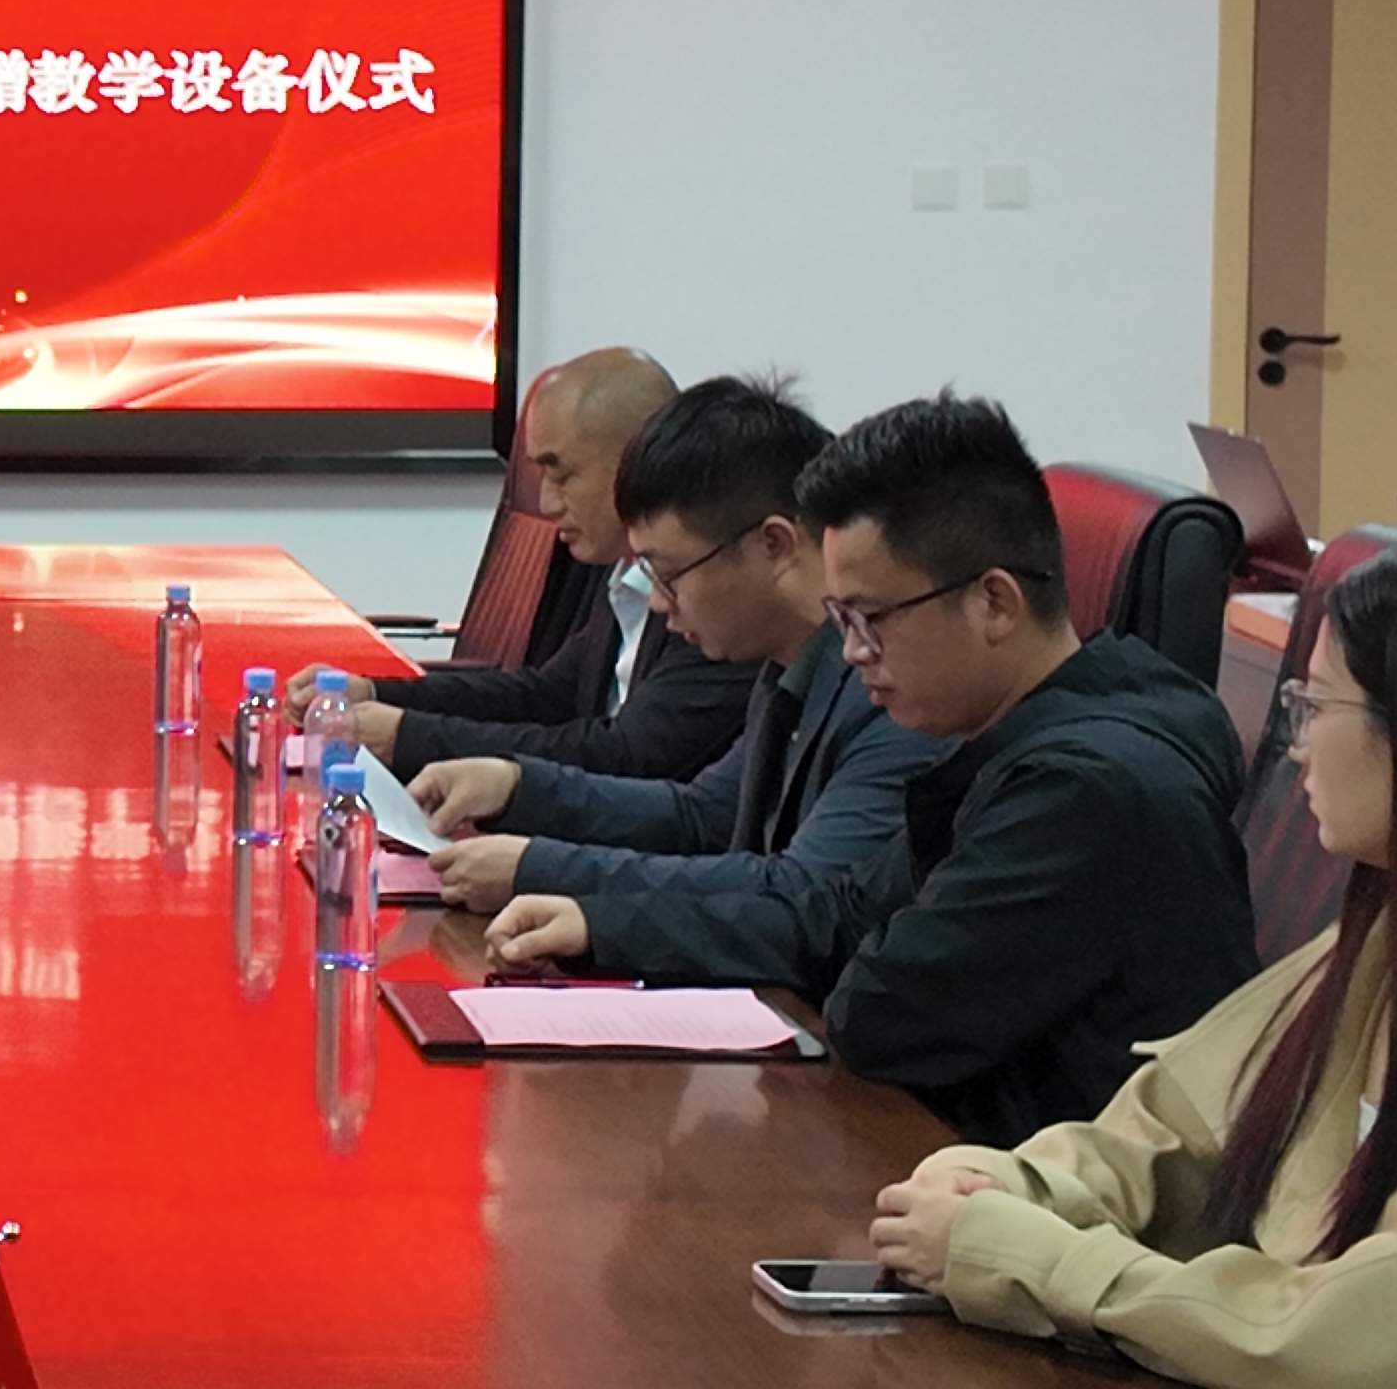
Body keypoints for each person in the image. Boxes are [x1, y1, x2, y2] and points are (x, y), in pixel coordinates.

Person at [869, 534, 1397, 1385]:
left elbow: (1336, 1347)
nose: (1295, 744)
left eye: (1316, 706)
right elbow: (1169, 1133)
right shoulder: (1392, 933)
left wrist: (1038, 1261)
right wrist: (1003, 1188)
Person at [517, 393, 1253, 1144]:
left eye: (871, 620)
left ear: (995, 604)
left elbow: (877, 1016)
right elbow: (834, 914)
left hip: (1041, 1191)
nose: (854, 652)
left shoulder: (1080, 793)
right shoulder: (1008, 741)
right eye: (843, 621)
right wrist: (604, 925)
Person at [415, 377, 949, 990]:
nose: (659, 605)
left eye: (668, 575)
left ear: (774, 544)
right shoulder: (790, 662)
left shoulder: (892, 690)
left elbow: (804, 895)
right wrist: (515, 785)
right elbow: (703, 815)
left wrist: (553, 876)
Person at [323, 351, 759, 782]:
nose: (547, 504)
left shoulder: (716, 593)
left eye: (562, 475)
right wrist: (377, 693)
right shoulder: (623, 574)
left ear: (636, 459)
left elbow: (625, 756)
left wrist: (409, 737)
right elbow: (546, 696)